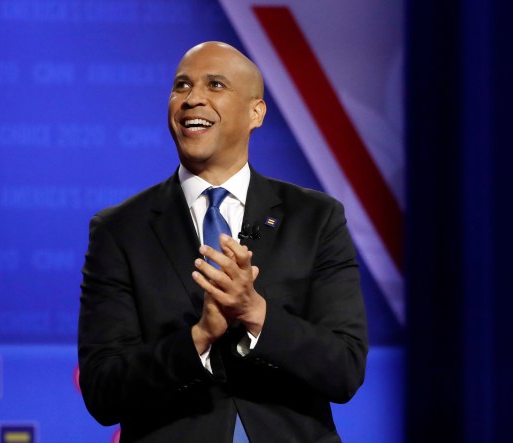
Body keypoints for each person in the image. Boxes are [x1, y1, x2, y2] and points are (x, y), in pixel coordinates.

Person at [78, 41, 368, 443]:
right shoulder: (120, 229)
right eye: (181, 86)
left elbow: (345, 369)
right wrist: (198, 337)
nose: (192, 98)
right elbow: (102, 391)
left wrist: (256, 313)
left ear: (255, 113)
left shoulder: (315, 218)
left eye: (215, 85)